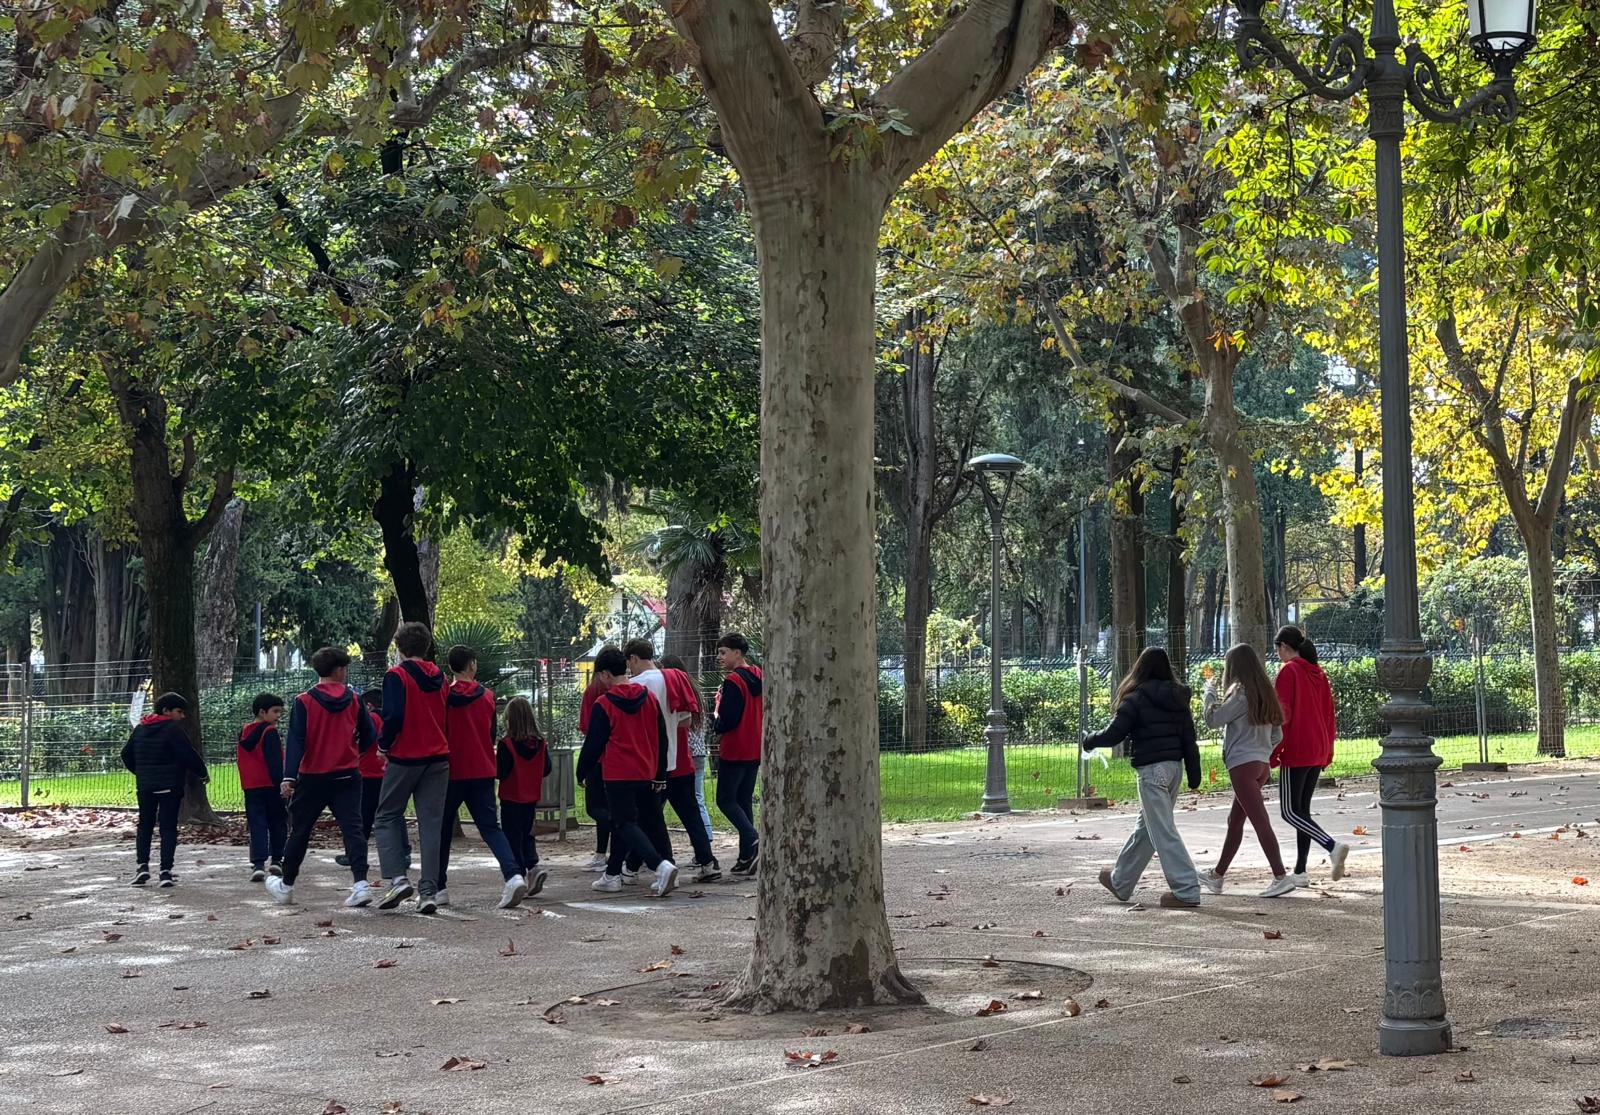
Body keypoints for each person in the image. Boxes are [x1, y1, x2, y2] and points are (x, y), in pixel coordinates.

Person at [1083, 647, 1203, 909]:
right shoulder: (1177, 698)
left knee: (1162, 830)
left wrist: (1089, 740)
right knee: (1147, 829)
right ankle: (1121, 880)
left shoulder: (1135, 698)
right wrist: (1194, 774)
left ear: (1140, 668)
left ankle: (1187, 888)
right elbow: (1189, 739)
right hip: (1174, 768)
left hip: (1151, 770)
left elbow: (1114, 734)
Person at [265, 647, 378, 908]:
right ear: (339, 670)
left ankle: (287, 885)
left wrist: (289, 777)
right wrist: (353, 753)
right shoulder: (354, 699)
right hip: (347, 774)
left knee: (300, 831)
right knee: (353, 829)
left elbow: (296, 741)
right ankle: (360, 883)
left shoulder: (304, 701)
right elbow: (370, 735)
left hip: (313, 775)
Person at [577, 646, 679, 897]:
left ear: (604, 674)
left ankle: (660, 865)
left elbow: (594, 743)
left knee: (624, 823)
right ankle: (612, 874)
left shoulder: (604, 704)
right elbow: (662, 738)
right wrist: (660, 772)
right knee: (639, 822)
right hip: (646, 770)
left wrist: (582, 771)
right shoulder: (648, 698)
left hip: (618, 772)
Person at [437, 645, 529, 910]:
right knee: (490, 827)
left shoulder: (444, 697)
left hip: (452, 770)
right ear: (473, 665)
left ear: (451, 667)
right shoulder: (487, 696)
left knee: (442, 830)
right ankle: (512, 875)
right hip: (482, 768)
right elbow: (490, 734)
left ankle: (439, 886)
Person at [1198, 645, 1294, 898]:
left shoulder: (1240, 693)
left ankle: (1280, 876)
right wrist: (1262, 749)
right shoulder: (1265, 692)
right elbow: (1278, 733)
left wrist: (1208, 693)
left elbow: (1213, 720)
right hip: (1260, 764)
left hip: (1242, 765)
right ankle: (1217, 875)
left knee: (1259, 821)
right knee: (1235, 821)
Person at [625, 640, 720, 882]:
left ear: (633, 658)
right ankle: (707, 862)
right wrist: (668, 725)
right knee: (689, 814)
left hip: (654, 763)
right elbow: (686, 721)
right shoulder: (674, 680)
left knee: (648, 817)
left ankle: (643, 865)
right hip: (681, 760)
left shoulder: (636, 685)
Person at [373, 622, 452, 914]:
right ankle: (429, 891)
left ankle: (397, 877)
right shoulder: (441, 678)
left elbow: (392, 715)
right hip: (438, 756)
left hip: (406, 756)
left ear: (399, 647)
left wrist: (383, 745)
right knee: (431, 824)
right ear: (426, 646)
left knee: (387, 815)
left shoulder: (396, 676)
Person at [1272, 626, 1350, 883]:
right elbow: (1329, 714)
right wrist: (1328, 750)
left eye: (1278, 650)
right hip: (1317, 747)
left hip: (1296, 748)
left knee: (1289, 811)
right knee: (1302, 811)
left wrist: (1273, 752)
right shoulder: (1318, 673)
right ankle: (1301, 870)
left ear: (1284, 646)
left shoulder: (1289, 671)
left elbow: (1282, 715)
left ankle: (1331, 846)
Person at [121, 692, 208, 887]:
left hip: (146, 786)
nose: (182, 716)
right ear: (166, 710)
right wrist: (202, 773)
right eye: (179, 711)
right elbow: (188, 754)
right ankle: (165, 871)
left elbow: (126, 754)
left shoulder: (140, 729)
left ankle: (142, 866)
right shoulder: (172, 730)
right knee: (168, 828)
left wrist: (141, 772)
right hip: (170, 786)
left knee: (145, 826)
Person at [712, 632, 762, 875]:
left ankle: (752, 837)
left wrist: (716, 725)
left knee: (725, 799)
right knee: (743, 800)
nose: (719, 657)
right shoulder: (758, 675)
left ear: (737, 653)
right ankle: (746, 857)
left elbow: (729, 718)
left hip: (735, 747)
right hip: (755, 746)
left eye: (723, 652)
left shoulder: (734, 680)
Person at [497, 695, 552, 896]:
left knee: (512, 837)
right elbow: (546, 769)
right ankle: (533, 867)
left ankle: (517, 875)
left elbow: (501, 772)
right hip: (531, 797)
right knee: (527, 834)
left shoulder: (507, 744)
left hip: (511, 797)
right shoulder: (541, 743)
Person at [661, 655, 715, 842]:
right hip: (699, 751)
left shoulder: (676, 690)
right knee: (697, 798)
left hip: (685, 752)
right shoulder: (694, 689)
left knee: (687, 800)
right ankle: (705, 838)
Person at [237, 693, 288, 882]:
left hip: (251, 786)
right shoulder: (270, 732)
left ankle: (258, 863)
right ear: (262, 711)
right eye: (275, 711)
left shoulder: (243, 731)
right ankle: (276, 859)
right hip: (270, 785)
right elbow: (274, 763)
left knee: (257, 824)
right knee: (278, 822)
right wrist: (282, 785)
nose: (278, 716)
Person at [579, 664, 615, 872]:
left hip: (598, 757)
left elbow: (586, 727)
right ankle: (601, 854)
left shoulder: (593, 691)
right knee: (606, 806)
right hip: (616, 756)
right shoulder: (622, 689)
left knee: (595, 807)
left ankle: (620, 835)